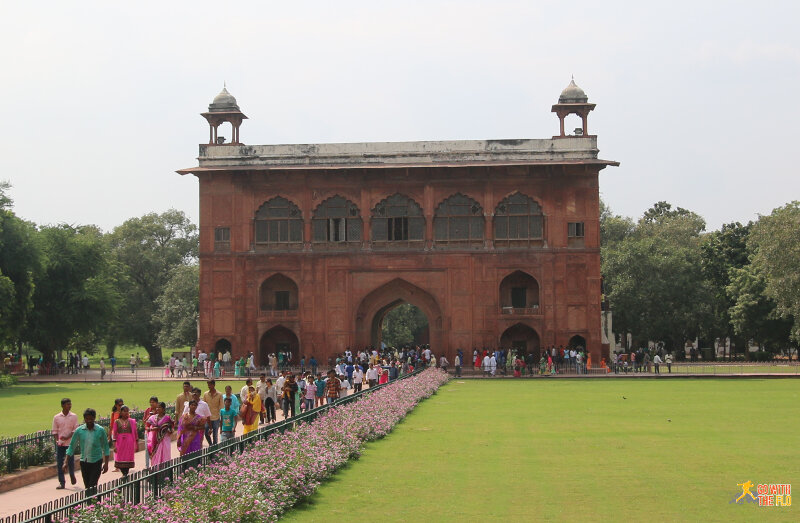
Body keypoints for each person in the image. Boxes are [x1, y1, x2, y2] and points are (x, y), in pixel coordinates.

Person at [64, 408, 109, 494]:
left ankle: (94, 504)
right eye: (87, 419)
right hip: (84, 462)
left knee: (92, 484)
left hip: (96, 462)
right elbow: (71, 447)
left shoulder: (100, 430)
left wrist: (106, 464)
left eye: (91, 419)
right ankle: (91, 504)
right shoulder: (79, 431)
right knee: (87, 486)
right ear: (84, 419)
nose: (89, 421)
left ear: (94, 418)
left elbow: (106, 447)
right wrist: (65, 462)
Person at [52, 398, 78, 489]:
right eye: (67, 404)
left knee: (70, 461)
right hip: (61, 444)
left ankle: (72, 475)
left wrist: (68, 437)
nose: (69, 406)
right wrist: (57, 440)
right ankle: (62, 482)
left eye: (70, 404)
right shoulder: (57, 417)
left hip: (70, 443)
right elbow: (55, 431)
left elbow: (75, 430)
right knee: (60, 463)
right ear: (62, 405)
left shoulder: (74, 416)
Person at [111, 405, 138, 477]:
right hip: (120, 443)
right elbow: (114, 434)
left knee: (128, 457)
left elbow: (135, 433)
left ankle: (125, 473)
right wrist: (114, 446)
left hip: (129, 442)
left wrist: (136, 444)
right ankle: (124, 472)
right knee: (120, 457)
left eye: (127, 411)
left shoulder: (131, 421)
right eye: (124, 411)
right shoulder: (117, 421)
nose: (126, 413)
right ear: (121, 412)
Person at [146, 402, 173, 467]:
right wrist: (151, 429)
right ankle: (156, 471)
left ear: (163, 409)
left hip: (165, 439)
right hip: (155, 439)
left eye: (159, 407)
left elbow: (171, 429)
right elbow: (147, 426)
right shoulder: (152, 418)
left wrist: (167, 430)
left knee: (165, 455)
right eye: (157, 407)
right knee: (155, 456)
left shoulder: (167, 418)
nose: (157, 409)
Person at [203, 380, 223, 445]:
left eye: (210, 385)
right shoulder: (205, 394)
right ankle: (210, 444)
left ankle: (214, 448)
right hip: (208, 418)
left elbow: (221, 407)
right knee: (206, 432)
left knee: (215, 434)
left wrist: (221, 417)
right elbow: (204, 405)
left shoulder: (219, 394)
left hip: (216, 417)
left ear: (214, 385)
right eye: (208, 385)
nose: (209, 386)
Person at [142, 396, 159, 468]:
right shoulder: (148, 410)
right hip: (148, 432)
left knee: (156, 448)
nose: (152, 404)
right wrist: (149, 416)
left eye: (153, 402)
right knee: (147, 448)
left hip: (156, 432)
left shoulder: (159, 410)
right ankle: (147, 465)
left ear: (157, 403)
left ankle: (156, 462)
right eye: (151, 402)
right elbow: (144, 421)